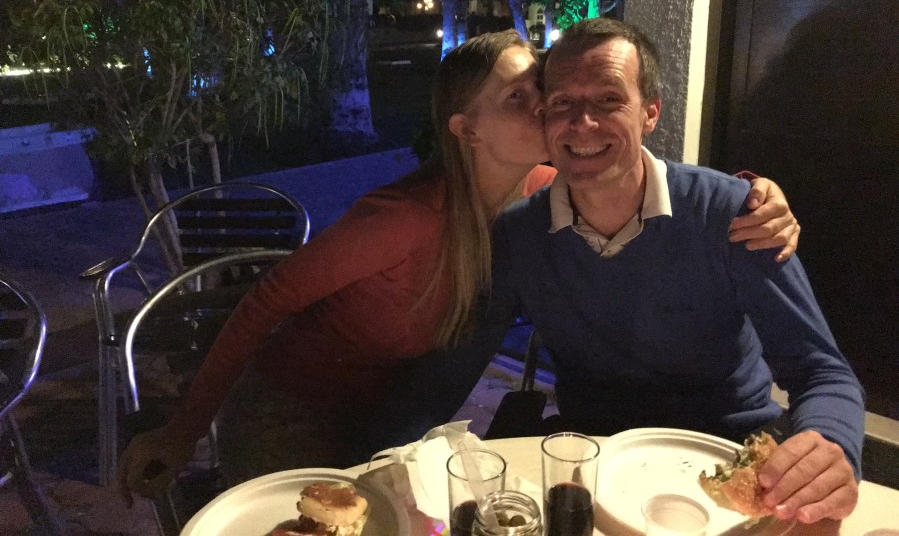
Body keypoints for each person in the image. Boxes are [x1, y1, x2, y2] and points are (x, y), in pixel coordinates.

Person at [117, 29, 800, 504]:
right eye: (518, 98)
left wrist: (748, 196)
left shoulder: (543, 192)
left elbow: (635, 173)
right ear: (467, 130)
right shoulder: (404, 218)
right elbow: (265, 302)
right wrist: (183, 429)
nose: (548, 107)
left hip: (399, 407)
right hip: (299, 407)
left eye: (541, 90)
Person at [451, 18, 862, 524]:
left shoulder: (733, 214)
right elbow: (458, 363)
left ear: (650, 113)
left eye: (608, 100)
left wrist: (829, 445)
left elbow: (821, 369)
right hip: (591, 464)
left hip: (727, 461)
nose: (582, 123)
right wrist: (385, 450)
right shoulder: (520, 234)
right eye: (562, 103)